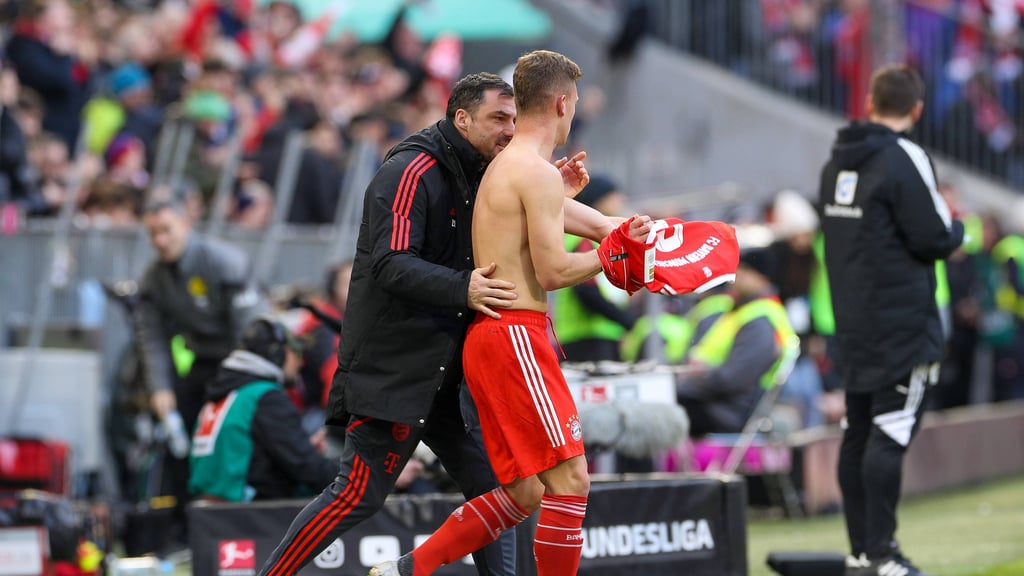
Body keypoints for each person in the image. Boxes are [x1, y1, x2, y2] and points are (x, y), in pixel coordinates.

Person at [258, 70, 631, 576]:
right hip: (399, 367)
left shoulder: (490, 167)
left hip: (455, 368)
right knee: (357, 495)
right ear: (462, 118)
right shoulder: (410, 168)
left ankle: (406, 571)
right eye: (498, 119)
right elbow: (390, 262)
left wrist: (554, 198)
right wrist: (464, 287)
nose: (509, 130)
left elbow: (511, 222)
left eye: (514, 119)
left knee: (499, 488)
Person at [369, 50, 652, 576]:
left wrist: (628, 235)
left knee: (525, 491)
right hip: (517, 336)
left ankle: (405, 571)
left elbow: (600, 226)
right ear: (562, 103)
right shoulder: (533, 171)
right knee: (571, 481)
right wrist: (611, 256)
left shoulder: (513, 167)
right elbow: (554, 271)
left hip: (496, 338)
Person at [819, 64, 963, 576]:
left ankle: (862, 553)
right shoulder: (905, 156)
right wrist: (960, 228)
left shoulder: (837, 163)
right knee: (889, 433)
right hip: (902, 327)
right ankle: (881, 555)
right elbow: (935, 236)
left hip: (853, 324)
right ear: (916, 110)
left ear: (870, 102)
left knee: (859, 433)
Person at [137, 195, 268, 545]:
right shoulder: (153, 279)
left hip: (244, 363)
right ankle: (186, 529)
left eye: (166, 230)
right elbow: (152, 339)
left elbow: (251, 331)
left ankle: (248, 522)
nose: (160, 240)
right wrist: (159, 388)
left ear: (186, 225)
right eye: (153, 233)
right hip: (201, 363)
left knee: (238, 437)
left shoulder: (224, 262)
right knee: (179, 440)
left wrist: (242, 386)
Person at [189, 317, 338, 502]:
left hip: (210, 512)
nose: (301, 362)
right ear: (278, 354)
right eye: (297, 352)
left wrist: (303, 447)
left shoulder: (224, 395)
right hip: (250, 514)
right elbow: (309, 470)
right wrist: (352, 469)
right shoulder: (265, 397)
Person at [676, 247, 799, 437]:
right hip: (717, 403)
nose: (734, 276)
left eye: (743, 270)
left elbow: (732, 378)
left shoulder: (761, 320)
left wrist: (683, 385)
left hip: (727, 410)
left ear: (762, 277)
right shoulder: (743, 310)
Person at [551, 174, 637, 362]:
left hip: (602, 332)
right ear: (600, 199)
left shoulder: (595, 237)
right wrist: (626, 320)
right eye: (614, 195)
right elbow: (586, 290)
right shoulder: (583, 239)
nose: (620, 199)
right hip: (588, 336)